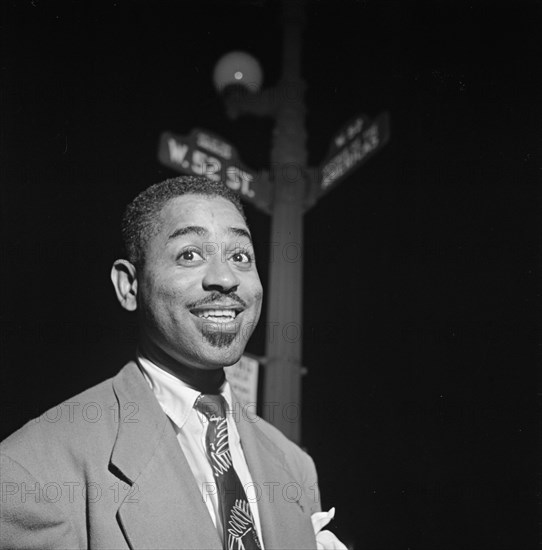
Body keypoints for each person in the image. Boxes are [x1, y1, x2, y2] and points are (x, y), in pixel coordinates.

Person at [0, 176, 346, 549]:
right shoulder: (29, 473)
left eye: (240, 256)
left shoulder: (295, 467)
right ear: (129, 286)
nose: (226, 278)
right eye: (190, 255)